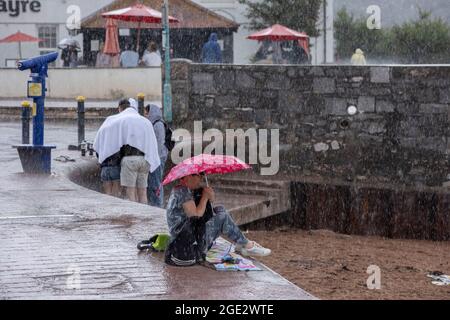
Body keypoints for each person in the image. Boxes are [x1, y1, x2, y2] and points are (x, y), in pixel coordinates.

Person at [165, 173, 271, 266]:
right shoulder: (182, 192)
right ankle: (247, 245)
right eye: (199, 175)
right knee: (222, 217)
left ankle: (241, 242)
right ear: (188, 176)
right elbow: (195, 215)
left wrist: (209, 196)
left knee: (220, 210)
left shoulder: (184, 190)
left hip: (188, 236)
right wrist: (205, 197)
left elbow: (208, 209)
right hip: (188, 243)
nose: (201, 178)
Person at [93, 98, 160, 204]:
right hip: (145, 160)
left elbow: (109, 143)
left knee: (131, 192)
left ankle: (134, 215)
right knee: (143, 192)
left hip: (130, 160)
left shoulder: (118, 120)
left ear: (120, 108)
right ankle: (144, 214)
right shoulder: (145, 121)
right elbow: (152, 144)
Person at [144, 104, 168, 208]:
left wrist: (153, 156)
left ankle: (157, 204)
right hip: (156, 157)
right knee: (154, 182)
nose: (145, 115)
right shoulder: (154, 123)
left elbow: (160, 142)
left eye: (146, 112)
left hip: (158, 158)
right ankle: (155, 203)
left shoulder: (158, 124)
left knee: (156, 182)